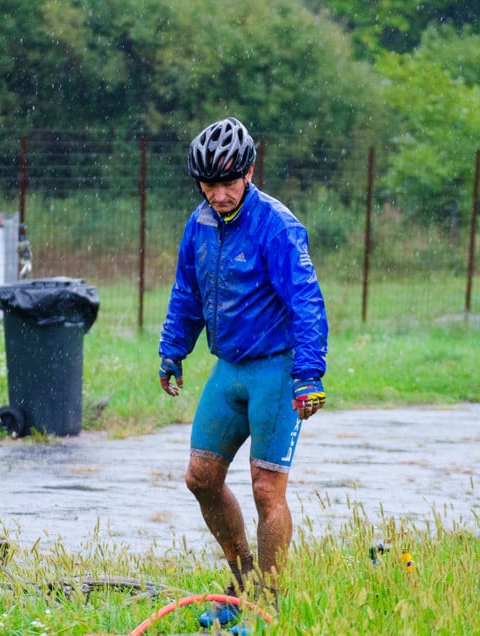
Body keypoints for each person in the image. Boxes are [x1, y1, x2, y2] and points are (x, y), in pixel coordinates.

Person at [158, 116, 328, 630]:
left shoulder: (277, 225)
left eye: (228, 181)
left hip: (276, 371)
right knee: (201, 478)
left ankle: (268, 602)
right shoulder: (199, 224)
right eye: (208, 184)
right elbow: (186, 292)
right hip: (227, 368)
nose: (219, 193)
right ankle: (241, 582)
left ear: (249, 171)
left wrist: (309, 374)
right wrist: (172, 351)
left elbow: (306, 301)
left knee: (264, 490)